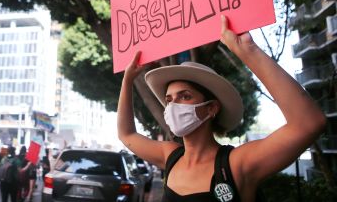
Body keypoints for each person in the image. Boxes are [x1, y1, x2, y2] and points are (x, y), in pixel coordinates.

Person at [117, 15, 327, 202]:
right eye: (169, 99)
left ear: (211, 109)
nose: (173, 106)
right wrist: (127, 80)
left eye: (185, 96)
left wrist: (248, 52)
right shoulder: (170, 156)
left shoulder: (236, 164)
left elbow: (308, 124)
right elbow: (126, 134)